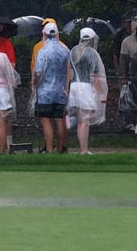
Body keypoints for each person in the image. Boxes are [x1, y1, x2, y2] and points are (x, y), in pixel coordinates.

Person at [66, 27, 108, 155]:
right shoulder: (92, 53)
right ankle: (84, 150)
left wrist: (67, 88)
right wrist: (101, 94)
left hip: (74, 86)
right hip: (85, 88)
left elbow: (69, 71)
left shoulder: (73, 51)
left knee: (81, 120)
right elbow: (95, 77)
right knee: (85, 121)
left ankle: (82, 148)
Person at [33, 21, 70, 153]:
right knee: (59, 119)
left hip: (45, 90)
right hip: (60, 90)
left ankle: (49, 149)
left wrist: (34, 82)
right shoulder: (65, 50)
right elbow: (68, 69)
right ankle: (61, 148)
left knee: (46, 120)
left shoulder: (43, 51)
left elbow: (38, 72)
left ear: (44, 34)